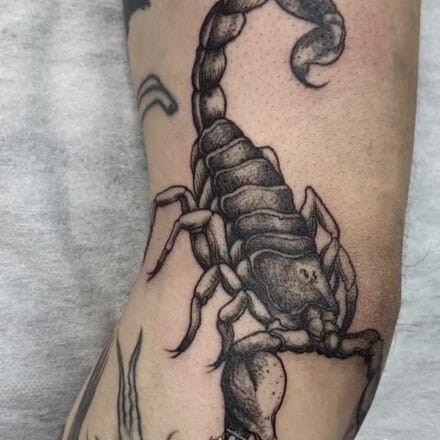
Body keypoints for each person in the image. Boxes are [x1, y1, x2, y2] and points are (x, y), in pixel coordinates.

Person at [61, 0, 420, 439]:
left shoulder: (324, 297)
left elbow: (361, 292)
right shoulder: (267, 289)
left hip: (268, 215)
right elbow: (214, 286)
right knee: (197, 220)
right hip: (233, 178)